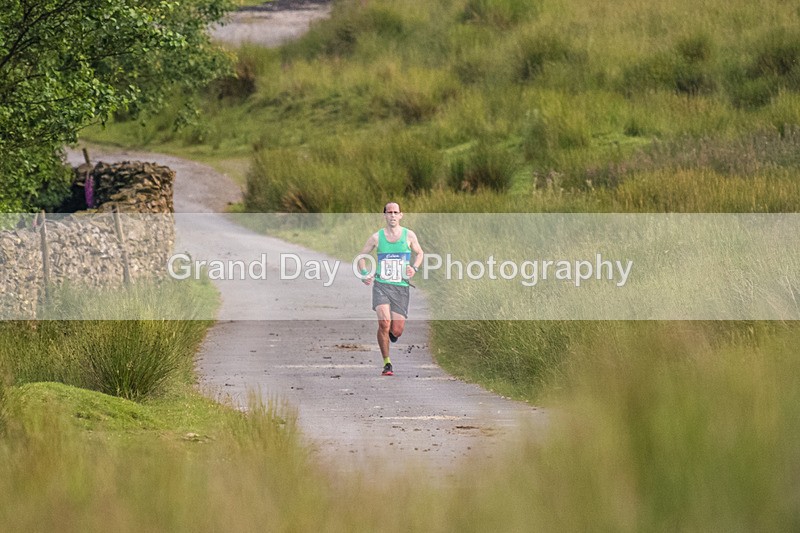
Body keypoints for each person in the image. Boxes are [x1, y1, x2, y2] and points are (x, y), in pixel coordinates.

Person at [357, 202, 424, 376]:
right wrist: (364, 273)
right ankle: (387, 363)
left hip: (401, 287)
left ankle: (391, 334)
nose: (392, 215)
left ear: (401, 215)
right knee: (384, 323)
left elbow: (420, 253)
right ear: (385, 215)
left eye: (395, 212)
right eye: (389, 212)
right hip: (382, 285)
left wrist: (414, 268)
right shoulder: (376, 237)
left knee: (396, 330)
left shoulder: (409, 235)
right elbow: (361, 256)